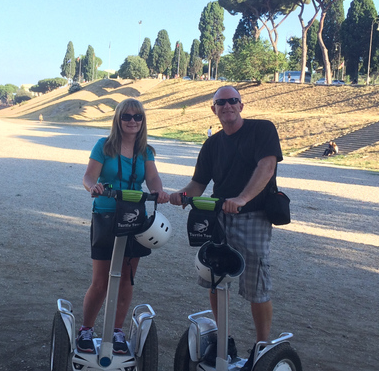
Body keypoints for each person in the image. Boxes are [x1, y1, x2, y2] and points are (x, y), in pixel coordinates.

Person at [169, 86, 282, 369]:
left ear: (241, 106)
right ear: (214, 110)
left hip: (252, 214)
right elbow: (198, 185)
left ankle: (262, 344)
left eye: (232, 101)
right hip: (219, 216)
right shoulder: (212, 145)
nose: (227, 106)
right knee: (214, 276)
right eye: (221, 103)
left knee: (256, 280)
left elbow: (267, 167)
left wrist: (242, 198)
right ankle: (224, 339)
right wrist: (180, 196)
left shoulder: (262, 130)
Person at [78, 98, 166, 354]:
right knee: (101, 281)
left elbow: (152, 178)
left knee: (127, 279)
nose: (132, 121)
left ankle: (117, 330)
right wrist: (92, 187)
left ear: (142, 121)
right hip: (106, 215)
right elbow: (89, 176)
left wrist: (159, 191)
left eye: (137, 117)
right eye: (126, 116)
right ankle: (86, 329)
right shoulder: (104, 146)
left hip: (134, 216)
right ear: (118, 119)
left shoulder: (145, 151)